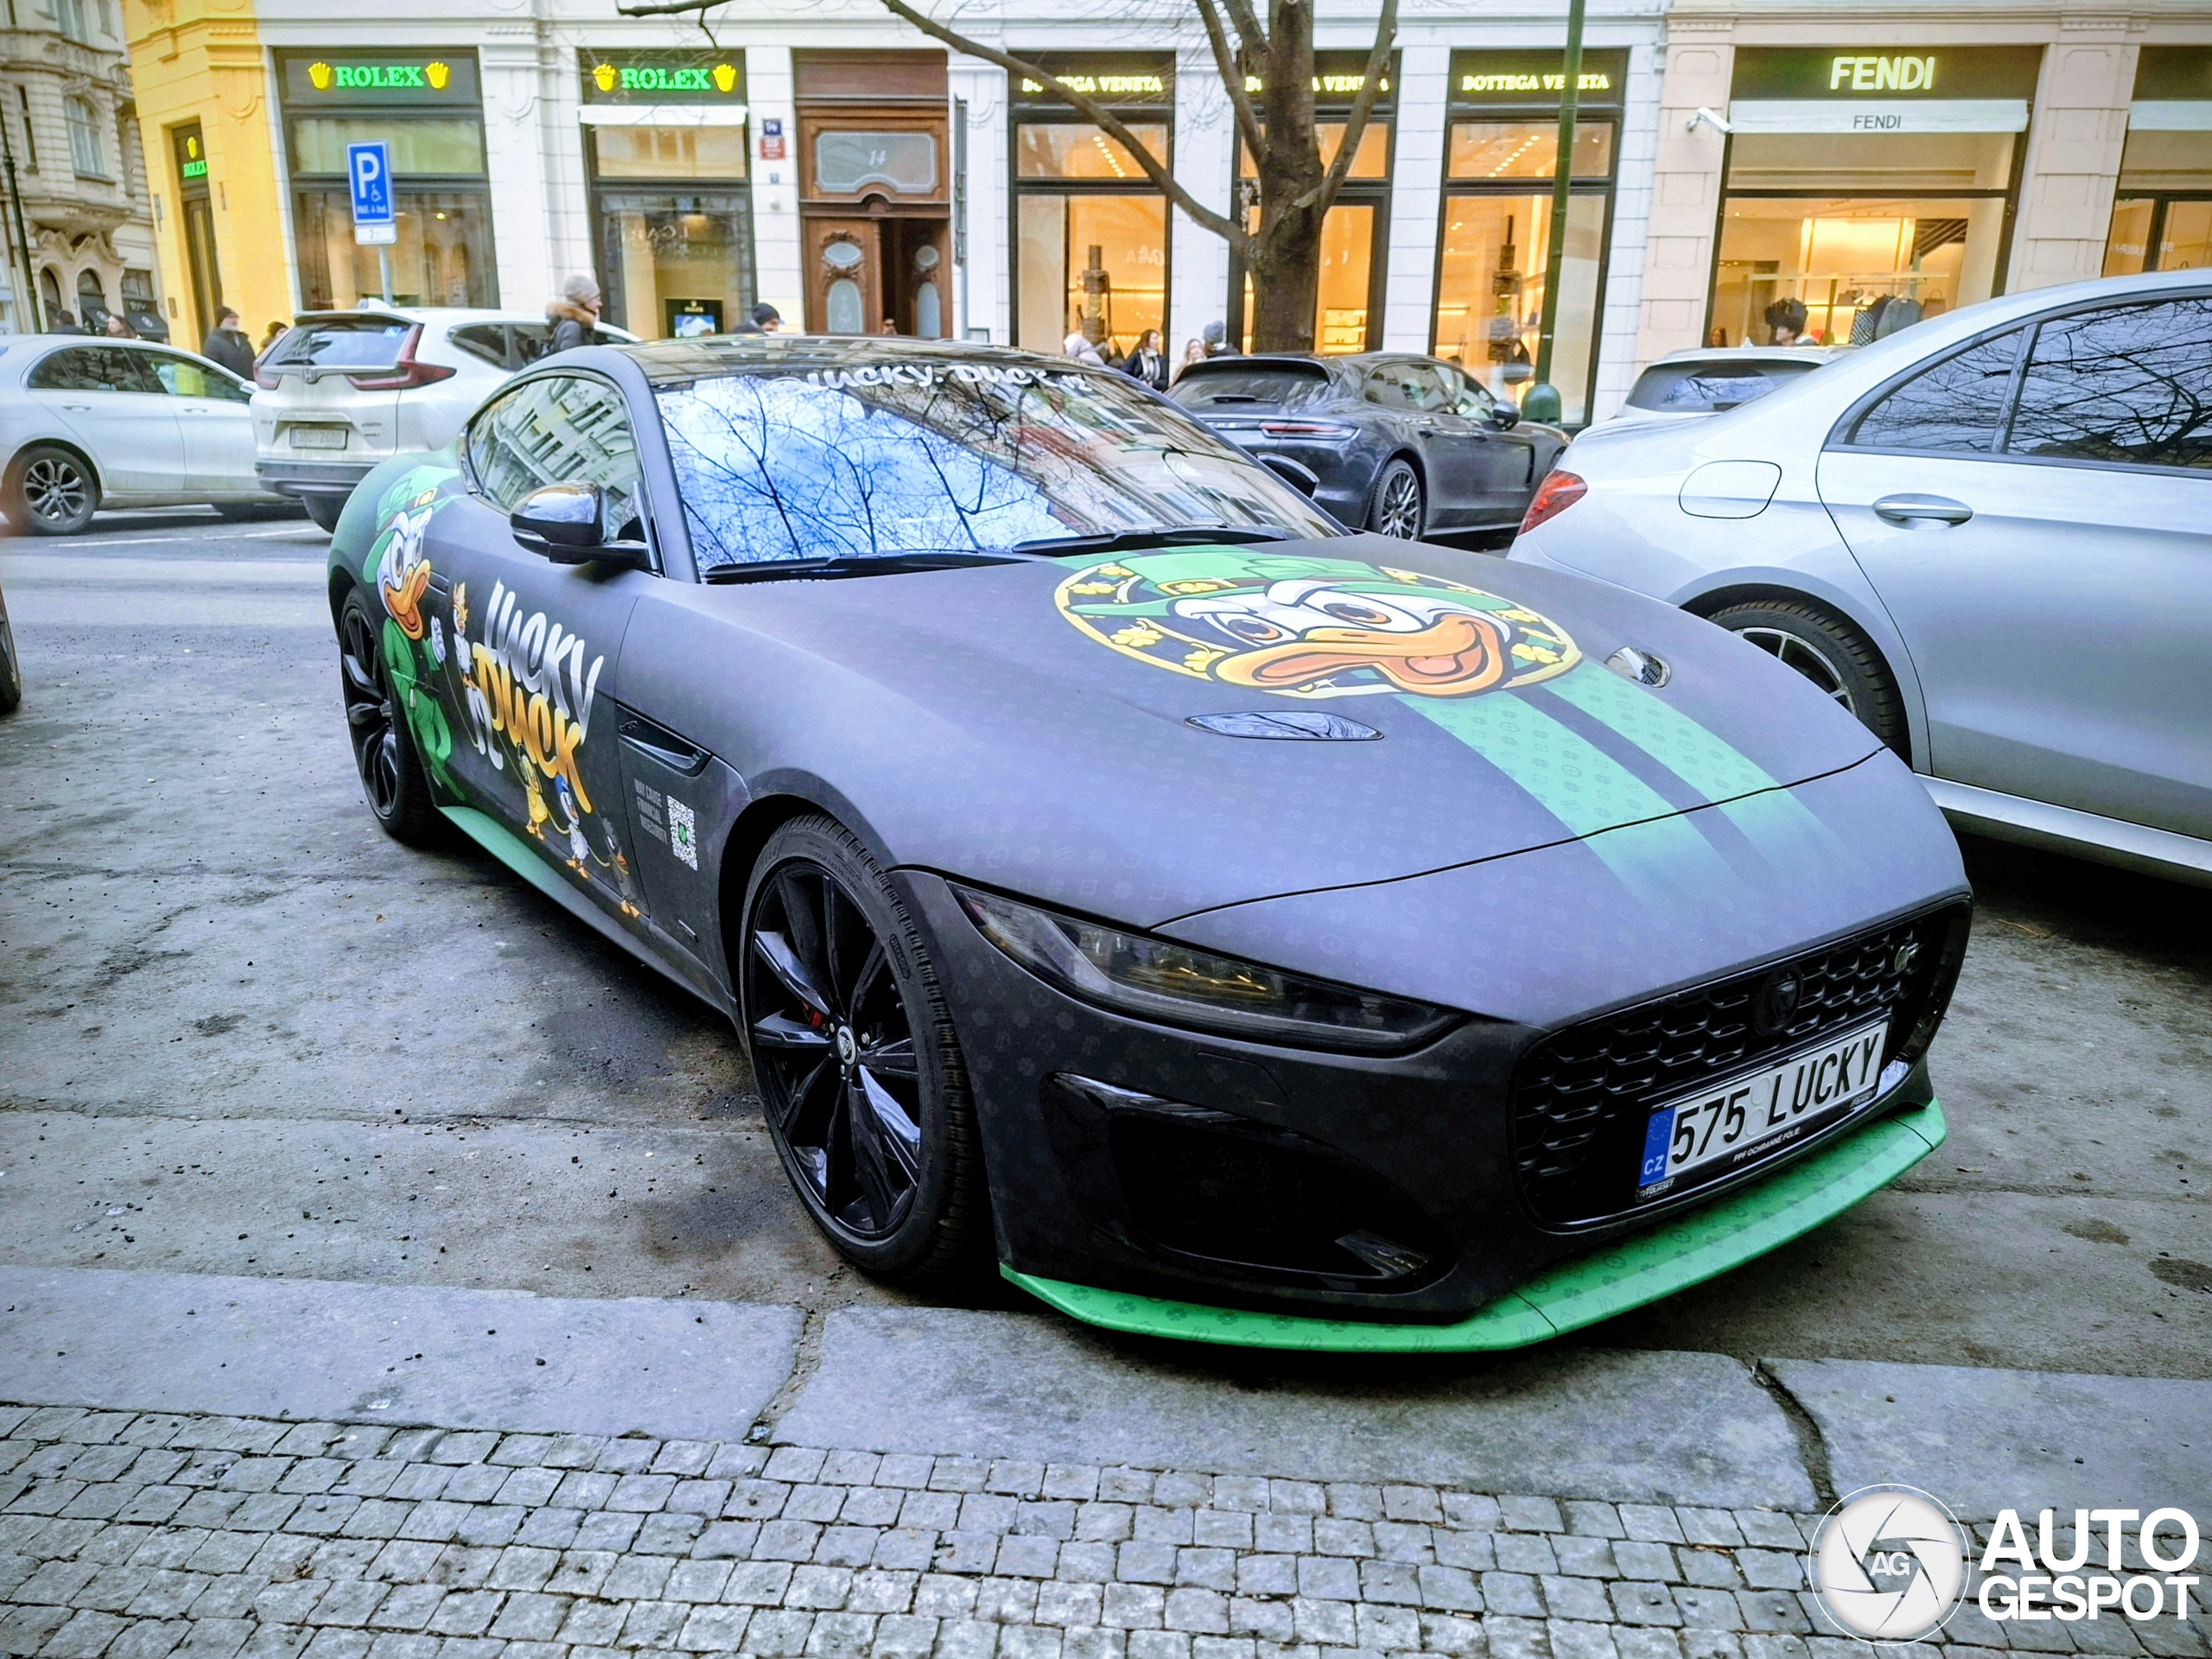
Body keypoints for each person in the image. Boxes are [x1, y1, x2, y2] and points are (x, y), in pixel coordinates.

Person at [547, 275, 601, 353]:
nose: (600, 304)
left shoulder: (574, 325)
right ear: (583, 299)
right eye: (597, 299)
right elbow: (570, 359)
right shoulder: (573, 327)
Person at [200, 306, 255, 378]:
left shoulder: (243, 339)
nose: (234, 320)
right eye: (230, 317)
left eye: (236, 317)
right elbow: (211, 371)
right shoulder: (213, 342)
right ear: (221, 320)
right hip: (228, 384)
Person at [1122, 327, 1168, 391]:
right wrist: (1139, 382)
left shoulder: (1160, 359)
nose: (1157, 341)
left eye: (1157, 339)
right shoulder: (1137, 356)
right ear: (1147, 340)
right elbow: (1125, 372)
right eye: (1154, 338)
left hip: (1154, 393)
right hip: (1136, 392)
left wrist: (1152, 384)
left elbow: (1164, 381)